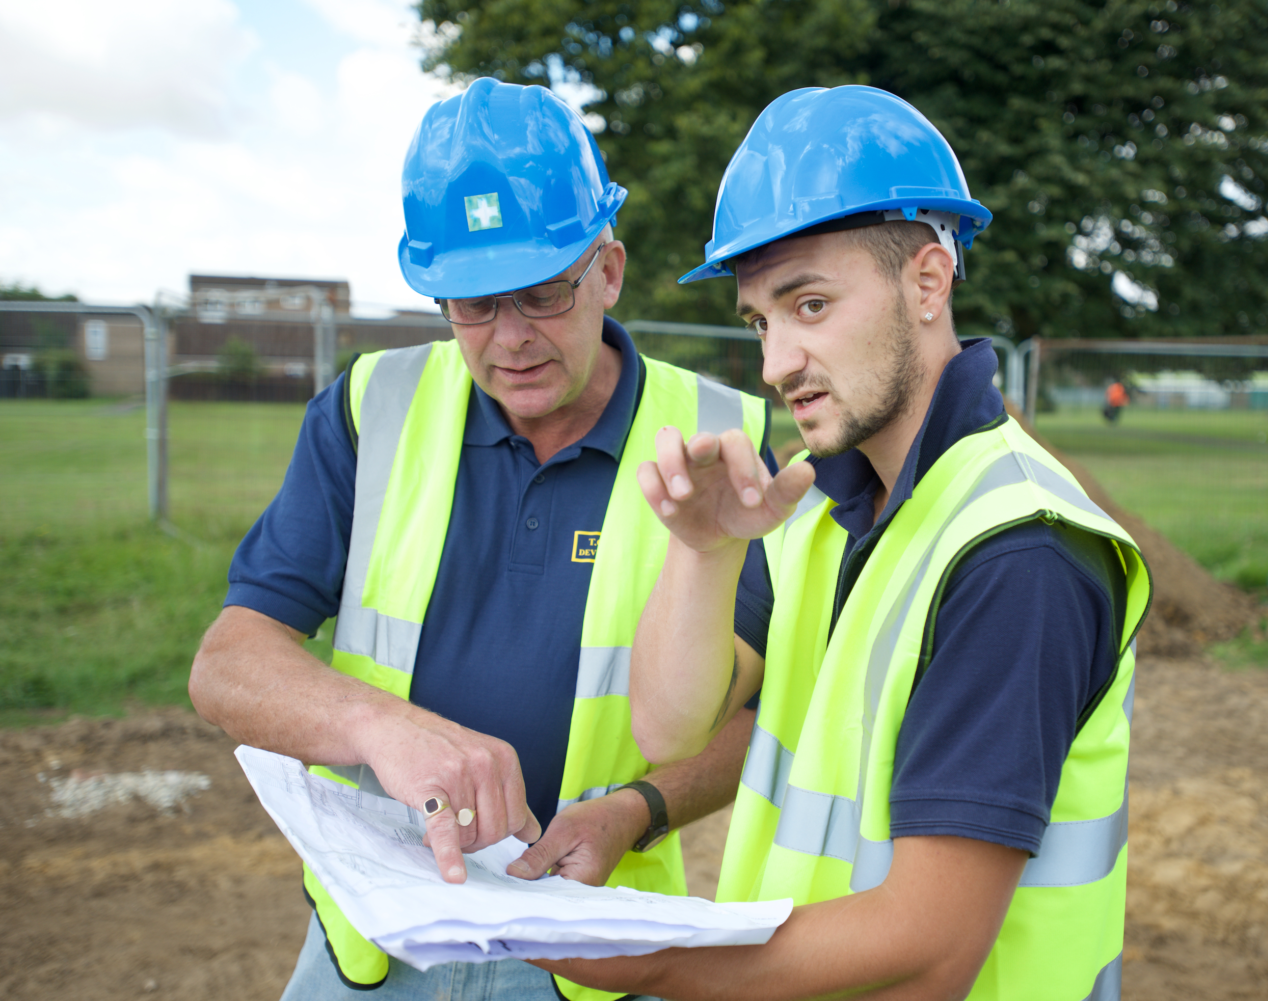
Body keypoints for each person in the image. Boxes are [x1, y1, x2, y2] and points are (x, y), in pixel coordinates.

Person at [531, 86, 1154, 1001]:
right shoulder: (817, 504)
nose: (776, 361)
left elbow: (928, 949)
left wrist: (654, 960)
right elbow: (667, 728)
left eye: (810, 304)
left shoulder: (1019, 551)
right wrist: (701, 551)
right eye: (761, 321)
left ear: (929, 282)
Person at [188, 79, 772, 1001]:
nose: (509, 340)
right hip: (378, 944)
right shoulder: (368, 407)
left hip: (587, 947)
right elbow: (228, 663)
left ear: (608, 269)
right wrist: (382, 725)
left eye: (541, 295)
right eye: (470, 304)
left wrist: (639, 809)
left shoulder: (717, 439)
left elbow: (757, 718)